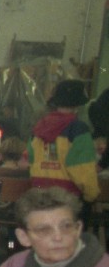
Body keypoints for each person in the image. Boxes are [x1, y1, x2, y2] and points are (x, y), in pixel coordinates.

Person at [29, 79, 100, 208]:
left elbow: (30, 158)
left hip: (39, 194)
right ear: (78, 105)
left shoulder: (39, 126)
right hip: (68, 198)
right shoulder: (79, 129)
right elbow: (82, 168)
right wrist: (91, 195)